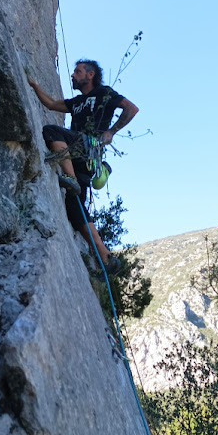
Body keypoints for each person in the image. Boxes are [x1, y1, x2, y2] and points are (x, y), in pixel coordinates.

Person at [28, 59, 139, 275]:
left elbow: (131, 109)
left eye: (77, 71)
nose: (72, 75)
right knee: (74, 207)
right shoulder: (76, 102)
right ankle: (104, 256)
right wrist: (34, 85)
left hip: (87, 149)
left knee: (52, 131)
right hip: (80, 156)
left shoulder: (104, 94)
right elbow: (50, 104)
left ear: (90, 75)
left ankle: (70, 177)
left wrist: (111, 131)